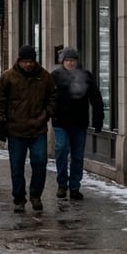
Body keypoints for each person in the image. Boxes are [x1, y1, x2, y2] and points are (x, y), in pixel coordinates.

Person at [0, 45, 56, 213]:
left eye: (31, 61)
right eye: (25, 61)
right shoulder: (8, 77)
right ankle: (19, 198)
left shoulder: (44, 77)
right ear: (19, 61)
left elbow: (53, 97)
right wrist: (0, 123)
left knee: (40, 162)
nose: (28, 64)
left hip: (38, 128)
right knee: (17, 165)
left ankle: (36, 195)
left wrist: (47, 113)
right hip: (16, 129)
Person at [50, 47, 104, 201]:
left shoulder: (86, 76)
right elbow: (47, 96)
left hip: (79, 122)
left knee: (77, 156)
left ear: (77, 61)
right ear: (63, 62)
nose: (70, 63)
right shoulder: (55, 76)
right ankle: (62, 183)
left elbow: (96, 97)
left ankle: (74, 187)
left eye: (73, 60)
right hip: (60, 121)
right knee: (61, 149)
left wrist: (99, 118)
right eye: (67, 60)